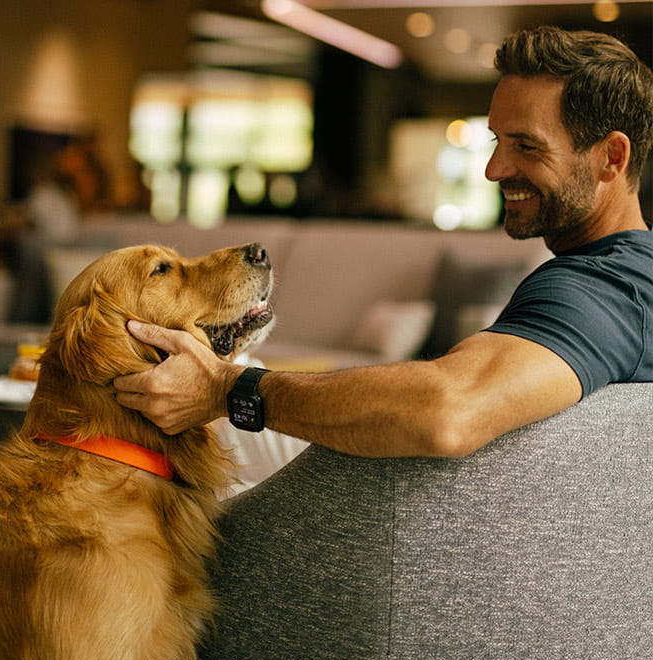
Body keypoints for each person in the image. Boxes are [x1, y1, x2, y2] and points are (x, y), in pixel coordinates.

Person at [114, 27, 653, 459]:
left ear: (611, 157)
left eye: (527, 147)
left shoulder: (603, 287)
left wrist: (224, 389)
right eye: (496, 141)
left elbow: (447, 410)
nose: (494, 169)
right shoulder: (631, 275)